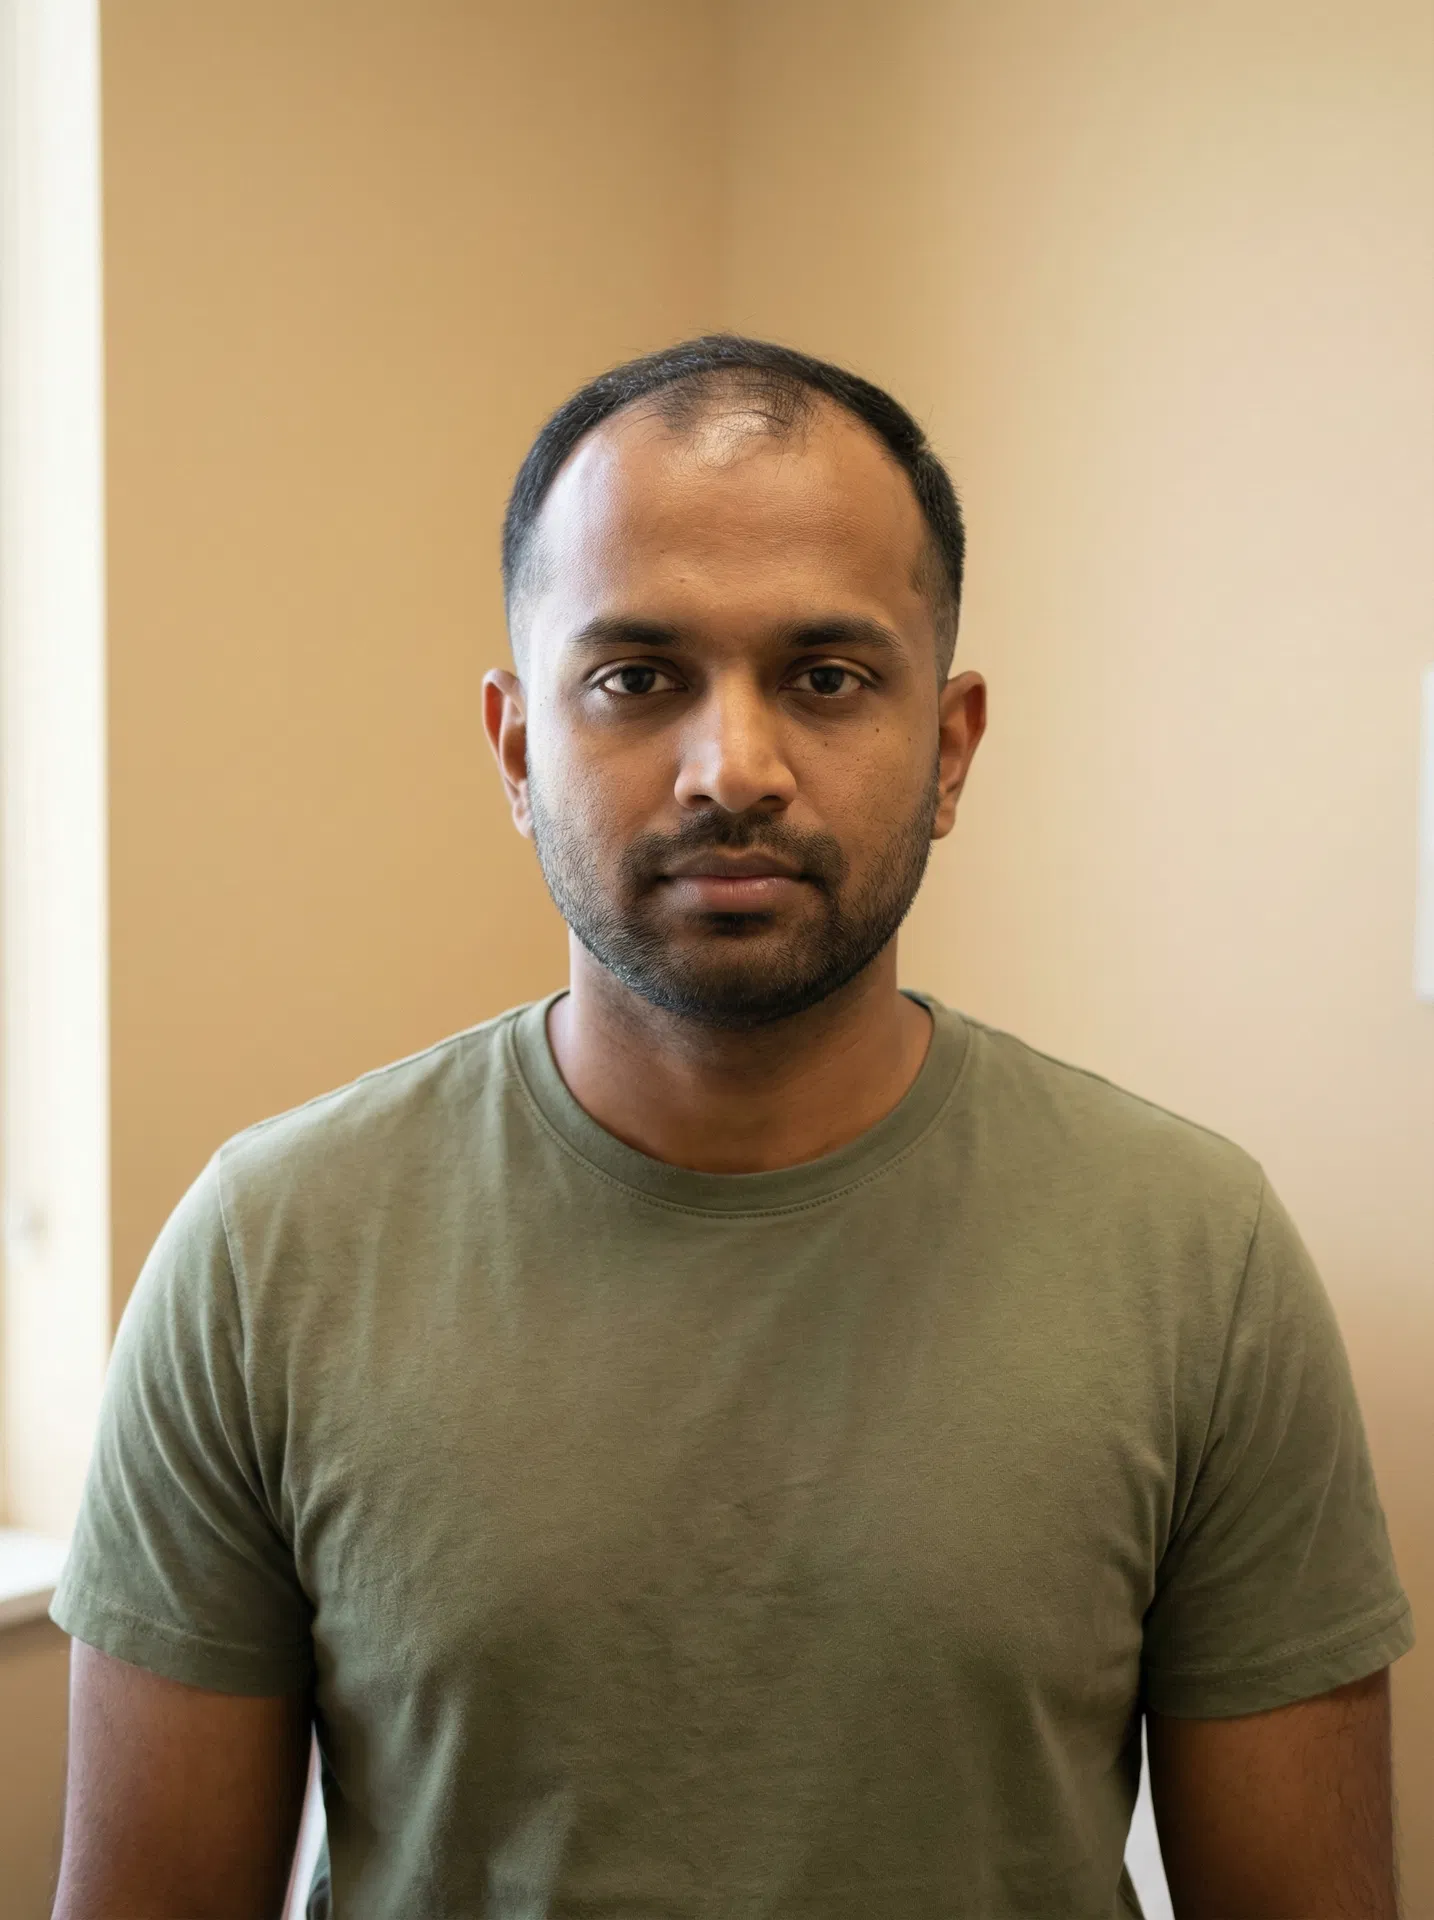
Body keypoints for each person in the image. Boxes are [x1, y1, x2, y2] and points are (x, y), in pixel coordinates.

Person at [50, 335, 1413, 1920]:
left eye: (827, 678)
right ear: (515, 746)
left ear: (950, 746)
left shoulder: (1197, 1256)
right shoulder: (266, 1251)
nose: (732, 769)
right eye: (636, 678)